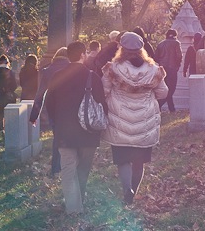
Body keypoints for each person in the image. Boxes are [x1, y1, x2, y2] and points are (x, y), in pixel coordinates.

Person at [102, 31, 168, 205]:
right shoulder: (153, 69)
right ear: (142, 49)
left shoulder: (113, 68)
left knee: (123, 160)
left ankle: (126, 190)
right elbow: (163, 92)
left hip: (119, 121)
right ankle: (134, 190)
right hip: (144, 123)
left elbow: (104, 91)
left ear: (121, 48)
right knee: (139, 162)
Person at [45, 41, 107, 214]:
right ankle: (81, 200)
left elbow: (49, 104)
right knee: (83, 169)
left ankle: (73, 208)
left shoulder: (57, 76)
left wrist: (56, 124)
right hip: (88, 132)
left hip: (65, 131)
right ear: (82, 55)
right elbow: (102, 103)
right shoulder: (92, 77)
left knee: (68, 169)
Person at [30, 47, 70, 176]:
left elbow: (39, 95)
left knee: (57, 139)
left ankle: (56, 168)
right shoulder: (73, 68)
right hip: (71, 108)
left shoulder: (47, 71)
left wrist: (33, 116)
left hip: (54, 109)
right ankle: (68, 167)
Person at [154, 29, 182, 112]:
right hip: (172, 68)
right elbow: (179, 56)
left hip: (163, 68)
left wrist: (161, 63)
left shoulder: (160, 44)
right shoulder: (176, 43)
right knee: (171, 89)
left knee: (166, 88)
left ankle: (172, 109)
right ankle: (158, 105)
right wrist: (178, 65)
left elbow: (155, 57)